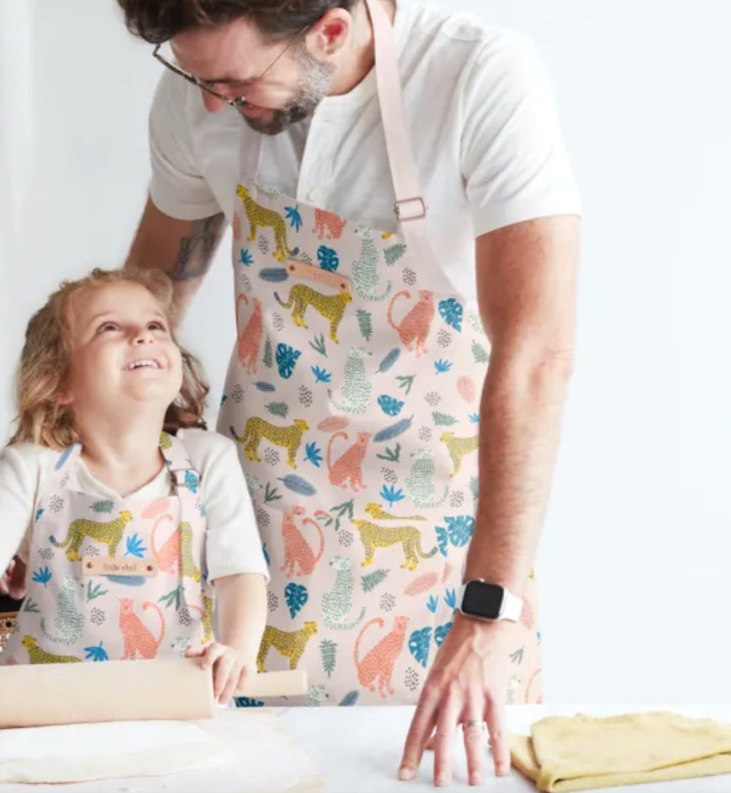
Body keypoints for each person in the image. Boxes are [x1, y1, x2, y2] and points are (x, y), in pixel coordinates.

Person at [109, 0, 582, 786]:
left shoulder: (476, 77)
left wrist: (489, 614)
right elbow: (144, 306)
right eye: (196, 79)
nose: (210, 104)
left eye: (232, 83)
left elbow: (536, 355)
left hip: (441, 556)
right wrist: (69, 478)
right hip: (255, 544)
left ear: (331, 30)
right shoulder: (202, 91)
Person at [0, 268, 270, 725]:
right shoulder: (32, 468)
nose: (142, 336)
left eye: (156, 325)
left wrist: (237, 651)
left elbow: (241, 576)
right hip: (40, 715)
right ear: (60, 383)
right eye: (109, 327)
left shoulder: (208, 460)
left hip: (174, 710)